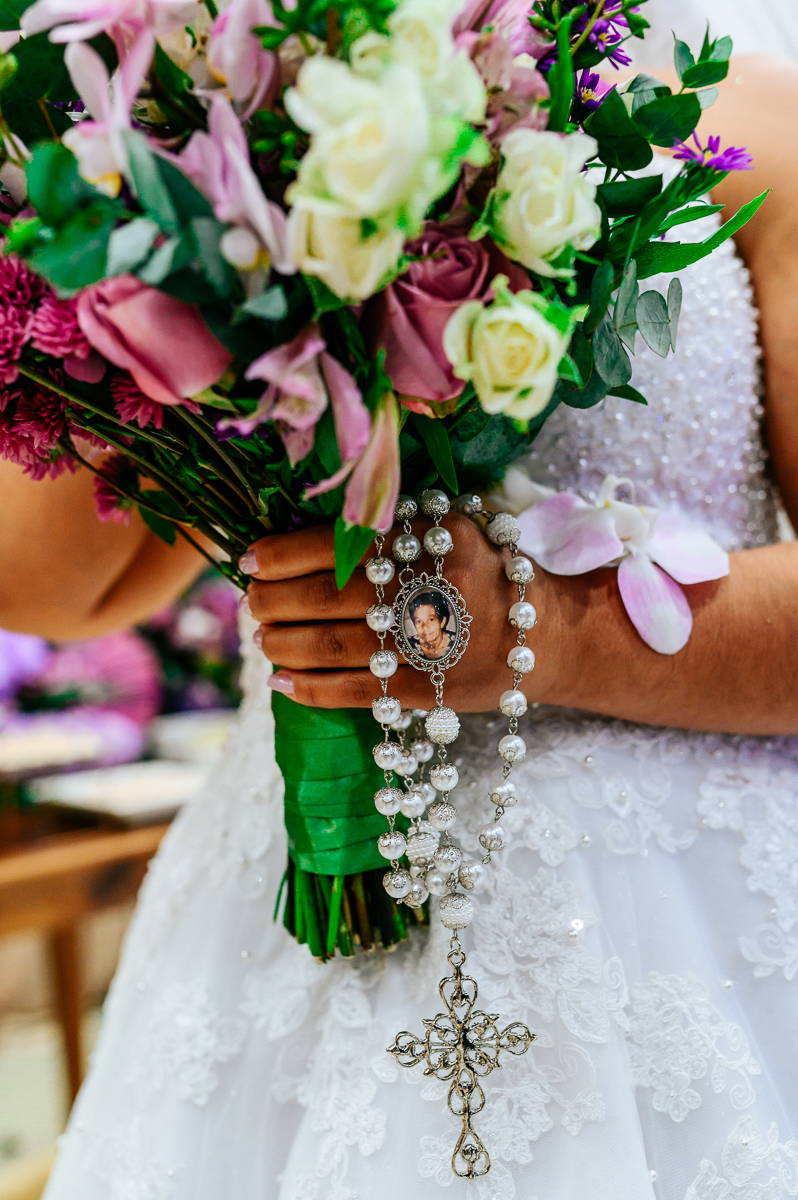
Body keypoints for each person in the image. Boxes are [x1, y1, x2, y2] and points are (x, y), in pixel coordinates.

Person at [6, 33, 796, 1200]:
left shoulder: (749, 123)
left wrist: (537, 626)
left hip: (682, 937)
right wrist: (207, 234)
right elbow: (49, 587)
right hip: (284, 934)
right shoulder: (219, 65)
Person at [406, 590, 455, 661]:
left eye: (431, 620)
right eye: (418, 621)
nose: (425, 627)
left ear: (442, 622)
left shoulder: (456, 642)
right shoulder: (410, 645)